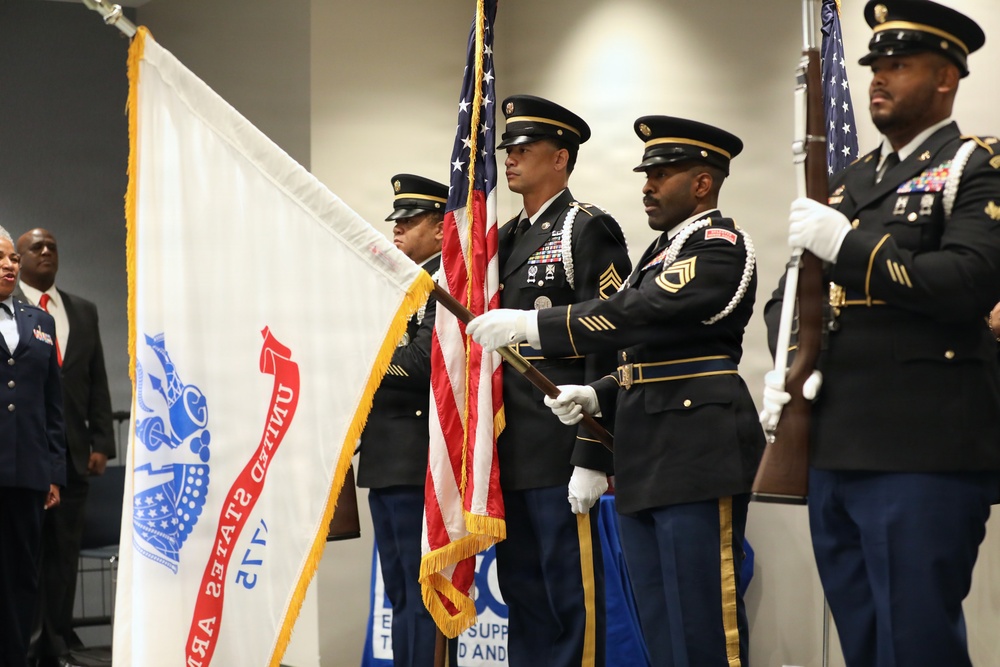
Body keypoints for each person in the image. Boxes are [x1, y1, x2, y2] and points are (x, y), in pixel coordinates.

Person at [468, 115, 763, 666]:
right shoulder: (657, 255)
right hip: (645, 444)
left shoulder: (719, 243)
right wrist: (599, 394)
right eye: (646, 174)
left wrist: (536, 327)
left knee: (702, 620)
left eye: (663, 174)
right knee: (658, 620)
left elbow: (641, 314)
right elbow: (638, 354)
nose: (647, 186)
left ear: (703, 184)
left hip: (698, 441)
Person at [760, 2, 1000, 665]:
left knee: (916, 643)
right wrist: (784, 363)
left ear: (946, 79)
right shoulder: (850, 179)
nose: (878, 80)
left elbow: (967, 280)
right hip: (835, 443)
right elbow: (790, 293)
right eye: (874, 68)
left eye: (898, 66)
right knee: (862, 641)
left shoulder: (974, 166)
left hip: (922, 446)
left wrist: (852, 244)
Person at [483, 95, 631, 667]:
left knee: (574, 599)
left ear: (561, 158)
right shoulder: (501, 240)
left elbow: (613, 333)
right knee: (523, 594)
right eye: (509, 150)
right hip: (510, 449)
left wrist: (593, 451)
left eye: (524, 150)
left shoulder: (585, 227)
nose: (511, 160)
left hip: (560, 442)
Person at [13, 229, 116, 667]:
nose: (46, 251)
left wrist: (102, 442)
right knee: (23, 555)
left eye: (53, 246)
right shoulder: (8, 311)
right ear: (16, 259)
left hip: (73, 455)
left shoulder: (82, 312)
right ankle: (24, 644)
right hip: (23, 459)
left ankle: (56, 644)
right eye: (36, 247)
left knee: (64, 556)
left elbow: (96, 381)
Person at [356, 174, 446, 667]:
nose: (398, 231)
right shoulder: (401, 286)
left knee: (419, 592)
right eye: (397, 221)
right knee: (398, 591)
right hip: (386, 459)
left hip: (417, 459)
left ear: (438, 230)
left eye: (410, 222)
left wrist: (365, 361)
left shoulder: (443, 286)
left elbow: (417, 365)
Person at [0, 224, 66, 667]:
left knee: (21, 578)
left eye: (11, 259)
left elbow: (52, 406)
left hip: (26, 475)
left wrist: (54, 474)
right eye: (1, 259)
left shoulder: (39, 322)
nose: (10, 264)